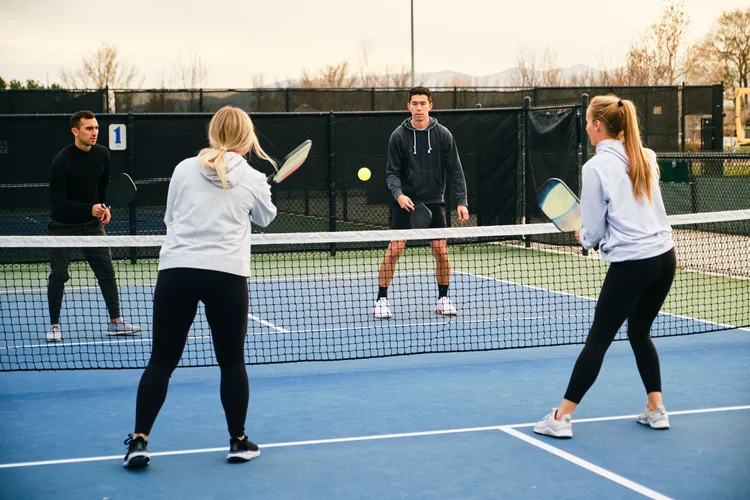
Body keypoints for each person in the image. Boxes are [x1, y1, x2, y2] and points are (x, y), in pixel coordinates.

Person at [123, 106, 277, 468]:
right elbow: (266, 219)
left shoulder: (183, 168)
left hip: (177, 271)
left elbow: (170, 218)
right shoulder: (253, 177)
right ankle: (238, 441)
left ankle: (139, 441)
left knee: (161, 361)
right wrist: (264, 191)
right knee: (232, 361)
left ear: (213, 133)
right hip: (227, 275)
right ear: (247, 137)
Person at [533, 95, 676, 439]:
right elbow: (638, 209)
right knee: (639, 331)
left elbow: (593, 230)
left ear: (598, 126)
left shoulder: (595, 167)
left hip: (633, 265)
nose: (585, 127)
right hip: (665, 259)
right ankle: (656, 410)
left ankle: (561, 417)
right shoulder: (646, 155)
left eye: (586, 122)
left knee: (599, 338)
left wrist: (584, 236)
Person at [373, 86, 469, 319]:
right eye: (414, 103)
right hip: (405, 202)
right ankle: (381, 300)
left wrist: (462, 201)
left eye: (422, 103)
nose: (418, 108)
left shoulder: (443, 135)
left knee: (441, 252)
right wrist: (399, 195)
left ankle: (443, 298)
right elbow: (391, 173)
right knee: (394, 251)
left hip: (435, 202)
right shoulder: (398, 136)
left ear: (430, 106)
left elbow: (455, 170)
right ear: (408, 107)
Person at [46, 110, 141, 342]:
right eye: (89, 128)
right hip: (63, 226)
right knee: (59, 275)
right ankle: (55, 325)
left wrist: (105, 207)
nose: (95, 132)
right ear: (75, 131)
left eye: (96, 127)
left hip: (92, 226)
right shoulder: (61, 162)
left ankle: (115, 322)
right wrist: (89, 208)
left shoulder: (103, 155)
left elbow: (102, 187)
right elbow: (58, 206)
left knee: (106, 272)